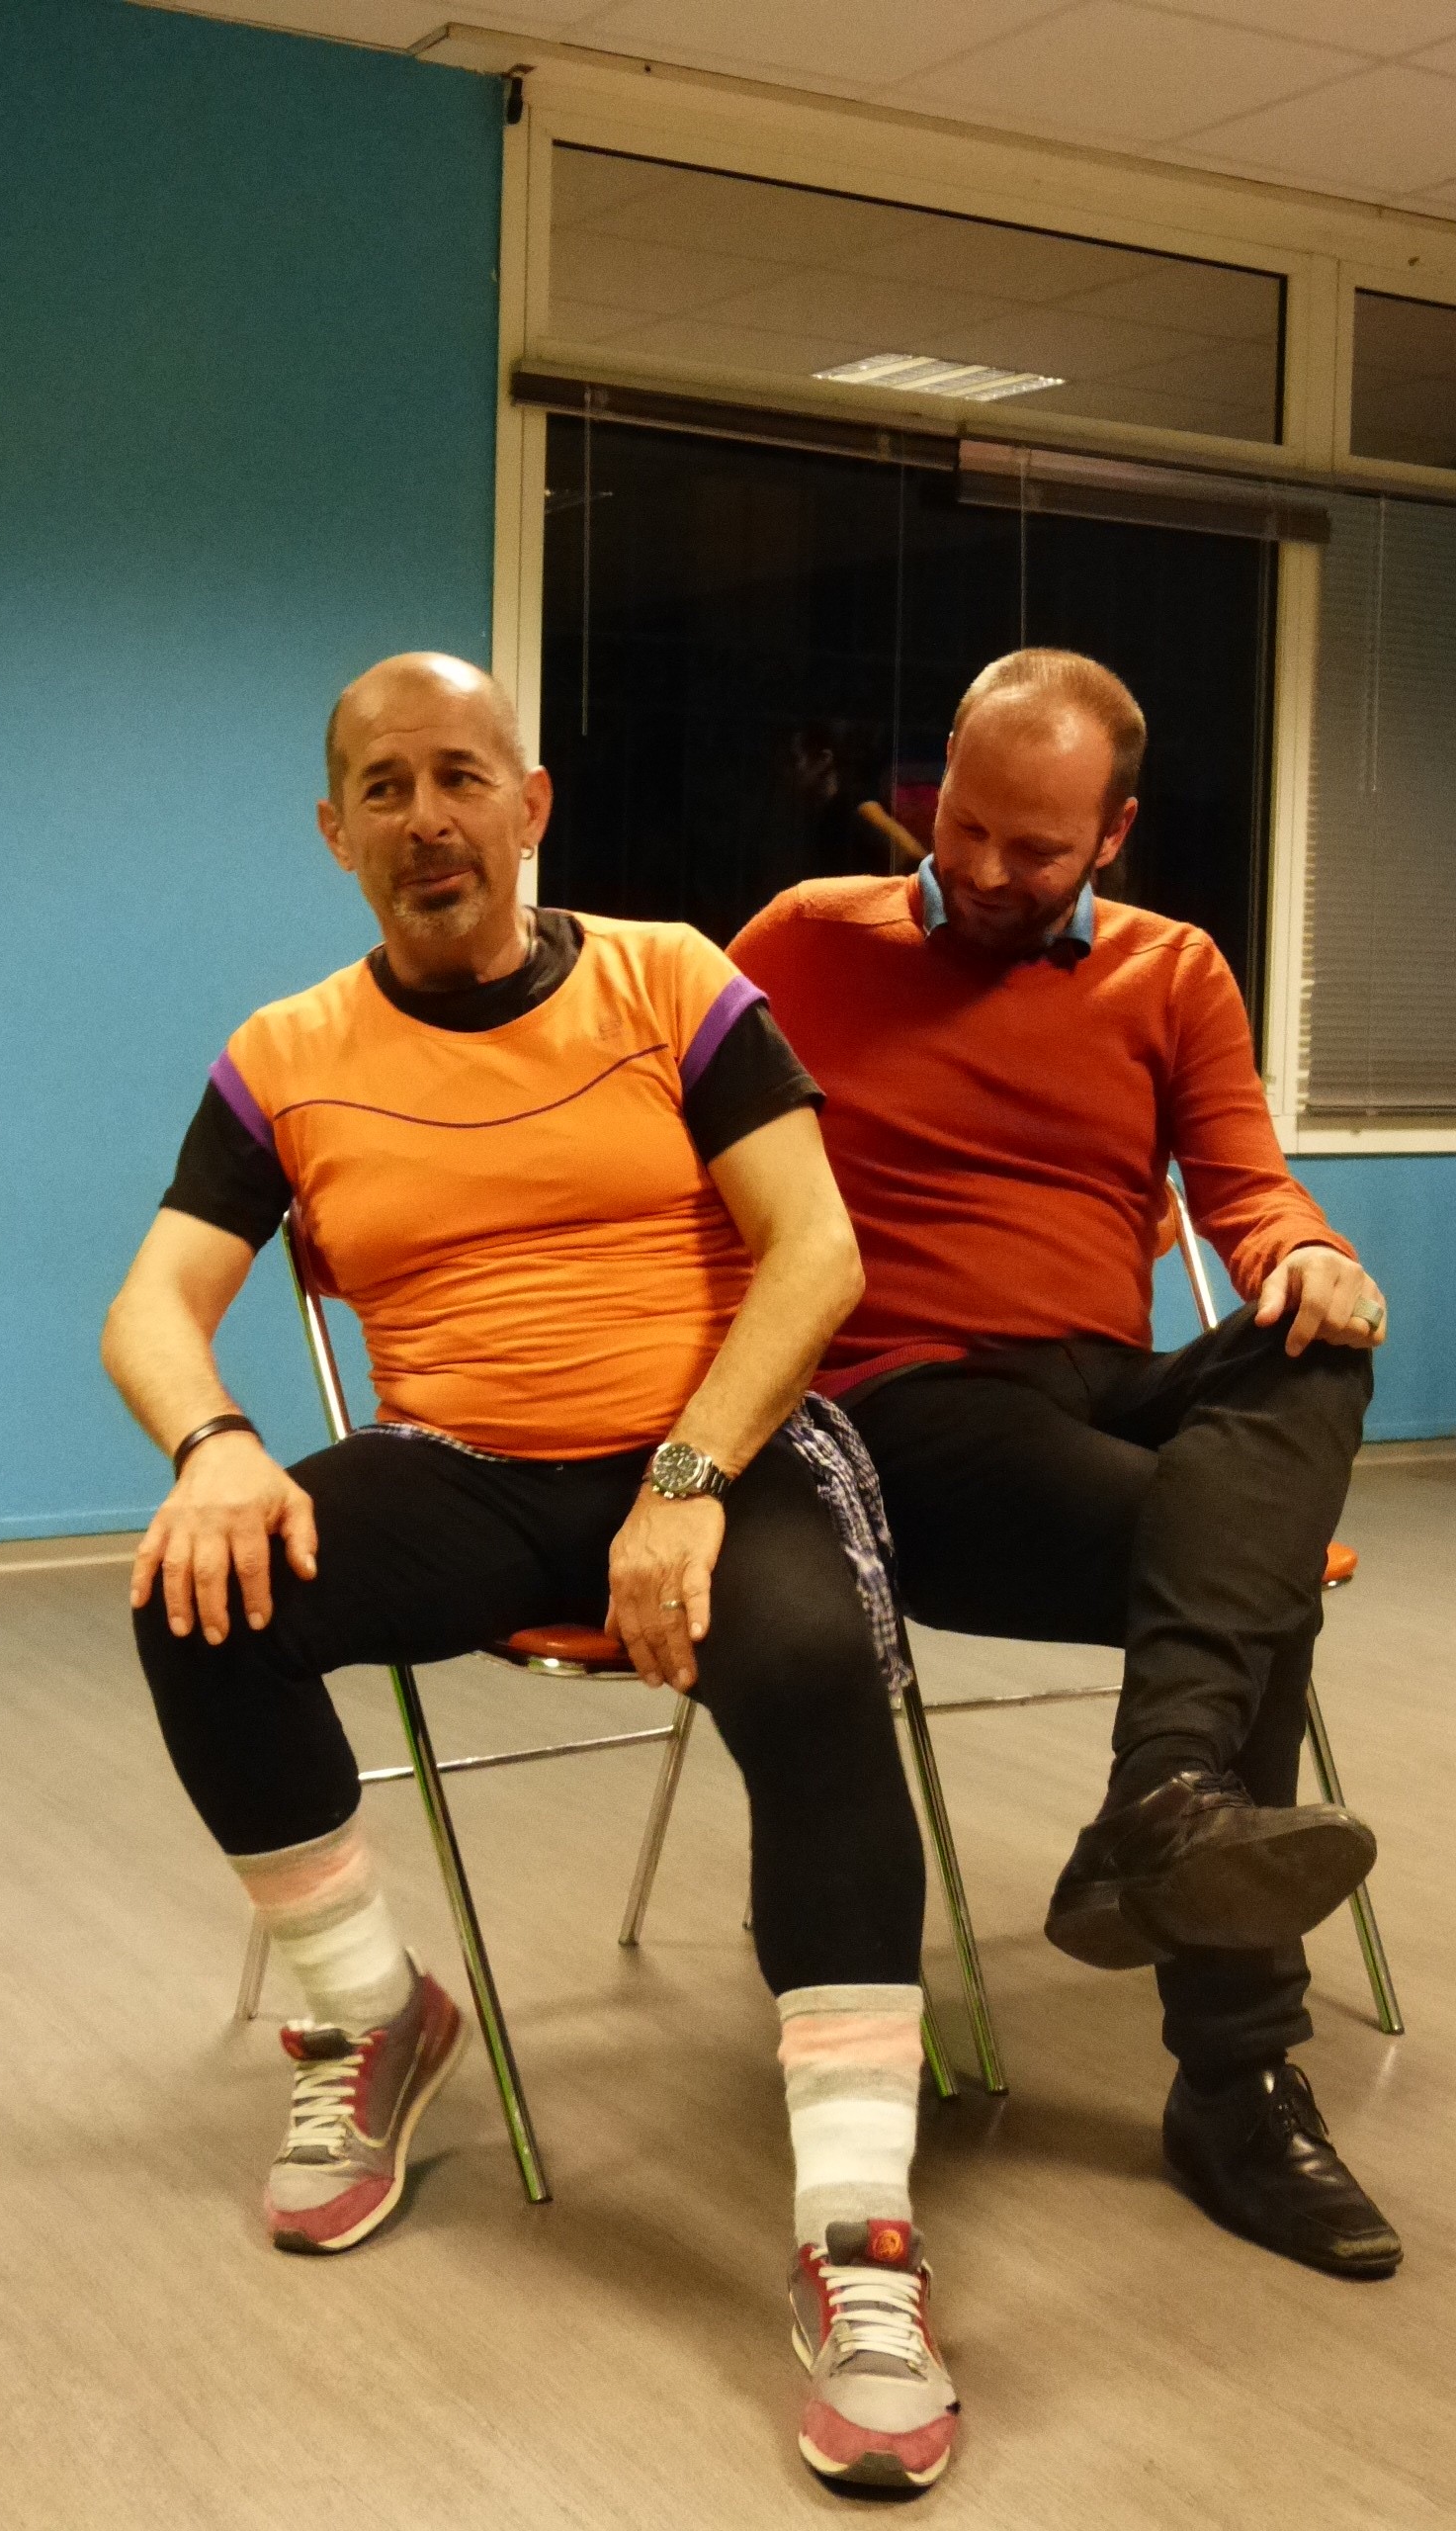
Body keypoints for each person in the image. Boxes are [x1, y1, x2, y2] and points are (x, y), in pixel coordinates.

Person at [101, 653, 959, 2490]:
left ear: (531, 804)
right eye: (386, 788)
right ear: (334, 834)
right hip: (466, 1460)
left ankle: (860, 2233)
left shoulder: (674, 980)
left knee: (810, 1666)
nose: (430, 820)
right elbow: (153, 1304)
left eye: (463, 777)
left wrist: (689, 1475)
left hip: (726, 1449)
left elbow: (815, 1254)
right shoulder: (282, 1056)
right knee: (198, 1598)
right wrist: (216, 1445)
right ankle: (370, 2012)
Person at [731, 647, 1402, 2281]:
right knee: (1239, 1568)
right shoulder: (802, 941)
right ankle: (1236, 2080)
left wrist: (1307, 1256)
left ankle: (1162, 1802)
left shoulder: (1173, 971)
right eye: (958, 823)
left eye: (1032, 849)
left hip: (1103, 1380)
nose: (978, 868)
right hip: (907, 1405)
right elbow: (674, 1155)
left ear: (1112, 835)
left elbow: (1246, 1188)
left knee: (1315, 1352)